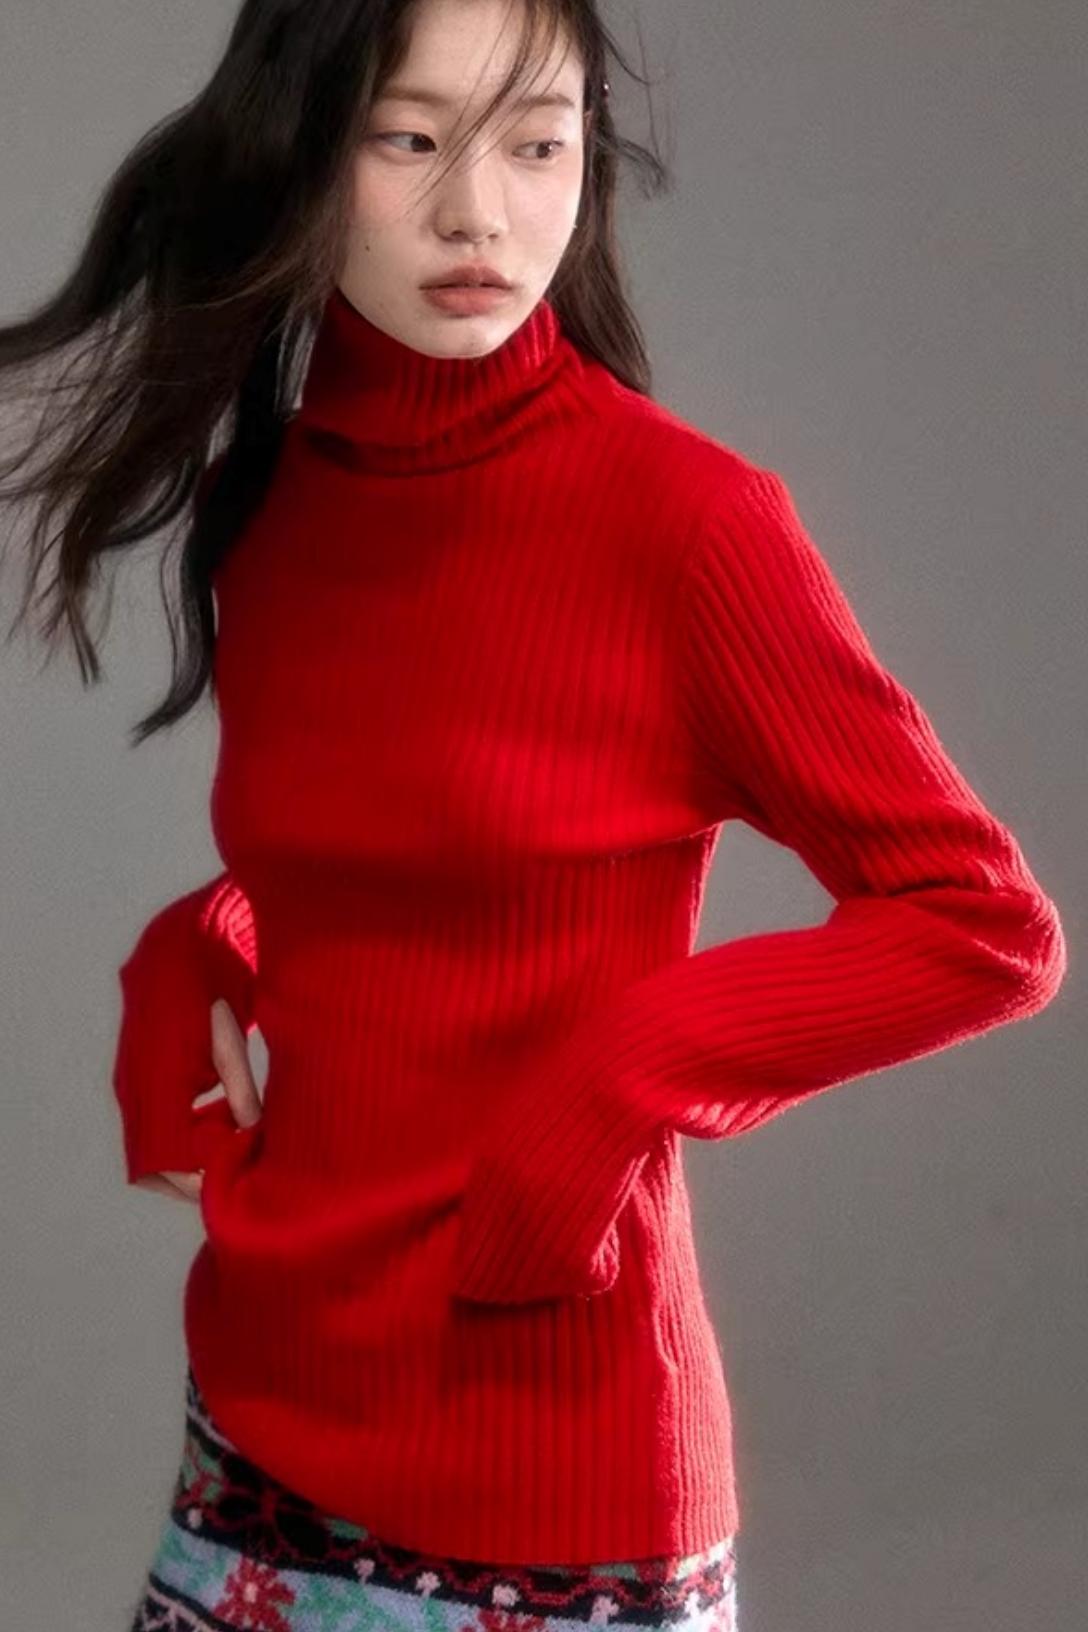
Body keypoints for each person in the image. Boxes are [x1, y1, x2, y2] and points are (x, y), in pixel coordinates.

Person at [0, 1, 1065, 1628]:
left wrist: (616, 1084)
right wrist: (194, 949)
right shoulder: (264, 507)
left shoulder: (689, 526)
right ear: (297, 150)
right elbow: (389, 861)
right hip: (261, 1421)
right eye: (410, 139)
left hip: (556, 1483)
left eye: (539, 144)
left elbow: (984, 928)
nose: (480, 214)